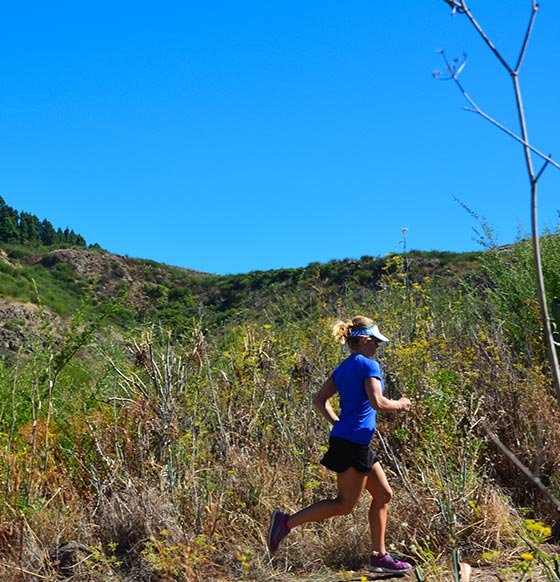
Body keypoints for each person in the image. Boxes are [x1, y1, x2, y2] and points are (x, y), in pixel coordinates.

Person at [267, 316, 413, 574]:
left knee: (383, 495)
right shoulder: (369, 365)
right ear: (366, 340)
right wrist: (400, 404)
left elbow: (320, 400)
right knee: (344, 505)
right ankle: (286, 522)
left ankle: (379, 557)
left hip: (353, 440)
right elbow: (378, 402)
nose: (377, 347)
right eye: (376, 343)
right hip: (353, 442)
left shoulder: (344, 367)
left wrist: (338, 423)